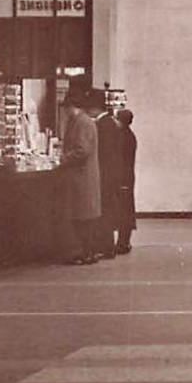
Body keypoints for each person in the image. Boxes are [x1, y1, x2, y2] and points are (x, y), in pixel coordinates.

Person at [57, 84, 103, 266]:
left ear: (70, 107)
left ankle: (86, 253)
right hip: (81, 178)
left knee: (83, 219)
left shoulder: (82, 123)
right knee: (83, 218)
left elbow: (82, 150)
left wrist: (63, 158)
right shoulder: (82, 121)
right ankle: (86, 252)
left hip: (81, 178)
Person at [94, 103, 128, 259]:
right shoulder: (111, 125)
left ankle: (106, 246)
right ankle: (107, 246)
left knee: (105, 211)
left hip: (105, 177)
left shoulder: (103, 125)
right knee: (109, 209)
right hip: (112, 176)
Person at [112, 109, 138, 254]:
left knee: (124, 210)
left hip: (123, 177)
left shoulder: (123, 137)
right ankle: (124, 242)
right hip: (127, 177)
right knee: (126, 209)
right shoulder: (129, 136)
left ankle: (123, 243)